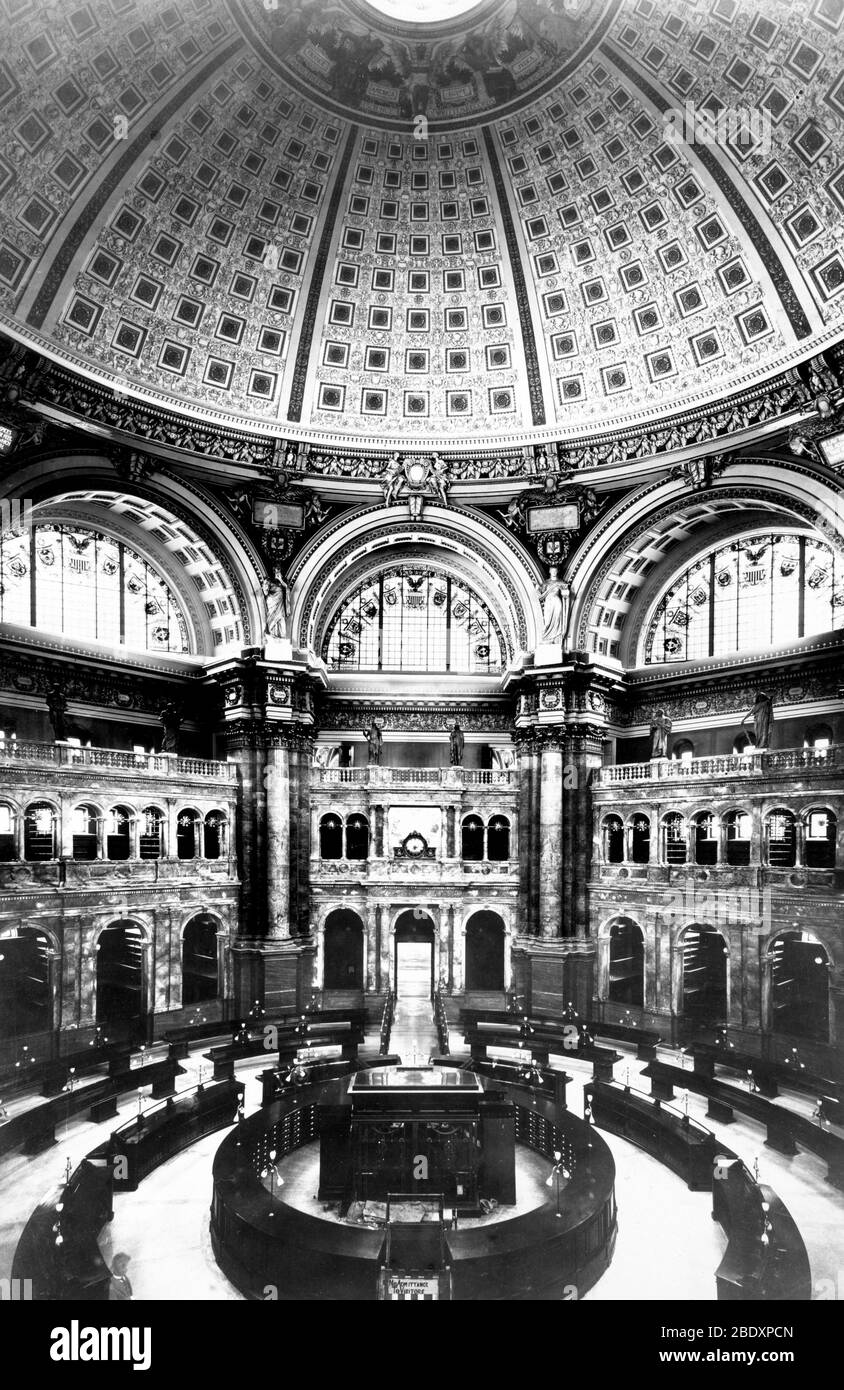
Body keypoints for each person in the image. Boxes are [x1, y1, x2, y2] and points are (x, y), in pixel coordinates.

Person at [539, 566, 570, 646]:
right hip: (549, 603)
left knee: (557, 620)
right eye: (552, 571)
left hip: (557, 602)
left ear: (557, 572)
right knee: (547, 622)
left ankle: (556, 637)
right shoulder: (546, 583)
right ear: (549, 571)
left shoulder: (560, 582)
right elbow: (541, 594)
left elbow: (565, 594)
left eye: (555, 571)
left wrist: (565, 592)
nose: (554, 572)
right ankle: (546, 637)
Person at [262, 573, 290, 639]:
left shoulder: (282, 581)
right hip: (272, 602)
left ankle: (280, 635)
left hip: (280, 604)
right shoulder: (269, 581)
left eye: (279, 571)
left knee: (280, 617)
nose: (277, 573)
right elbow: (265, 592)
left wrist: (280, 580)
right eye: (276, 571)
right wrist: (266, 587)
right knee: (272, 619)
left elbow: (287, 588)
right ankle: (273, 633)